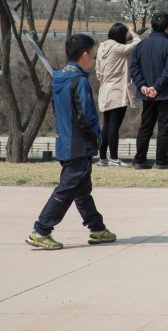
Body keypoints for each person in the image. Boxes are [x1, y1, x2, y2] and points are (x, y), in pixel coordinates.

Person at [26, 34, 116, 250]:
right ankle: (41, 230)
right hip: (78, 144)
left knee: (82, 190)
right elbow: (86, 116)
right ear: (85, 55)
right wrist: (97, 135)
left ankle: (98, 229)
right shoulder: (80, 81)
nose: (93, 59)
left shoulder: (59, 79)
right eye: (92, 55)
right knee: (67, 189)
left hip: (65, 142)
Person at [129, 12, 168, 170]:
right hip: (165, 93)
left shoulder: (141, 45)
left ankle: (140, 160)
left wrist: (142, 86)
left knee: (145, 127)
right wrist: (157, 87)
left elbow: (134, 67)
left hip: (147, 93)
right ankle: (161, 161)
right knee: (164, 128)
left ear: (153, 26)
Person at [95, 23, 141, 167]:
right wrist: (133, 33)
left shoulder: (102, 48)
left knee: (107, 126)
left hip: (104, 90)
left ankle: (102, 157)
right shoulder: (118, 48)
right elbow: (137, 44)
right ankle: (114, 157)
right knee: (114, 126)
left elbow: (97, 72)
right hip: (117, 91)